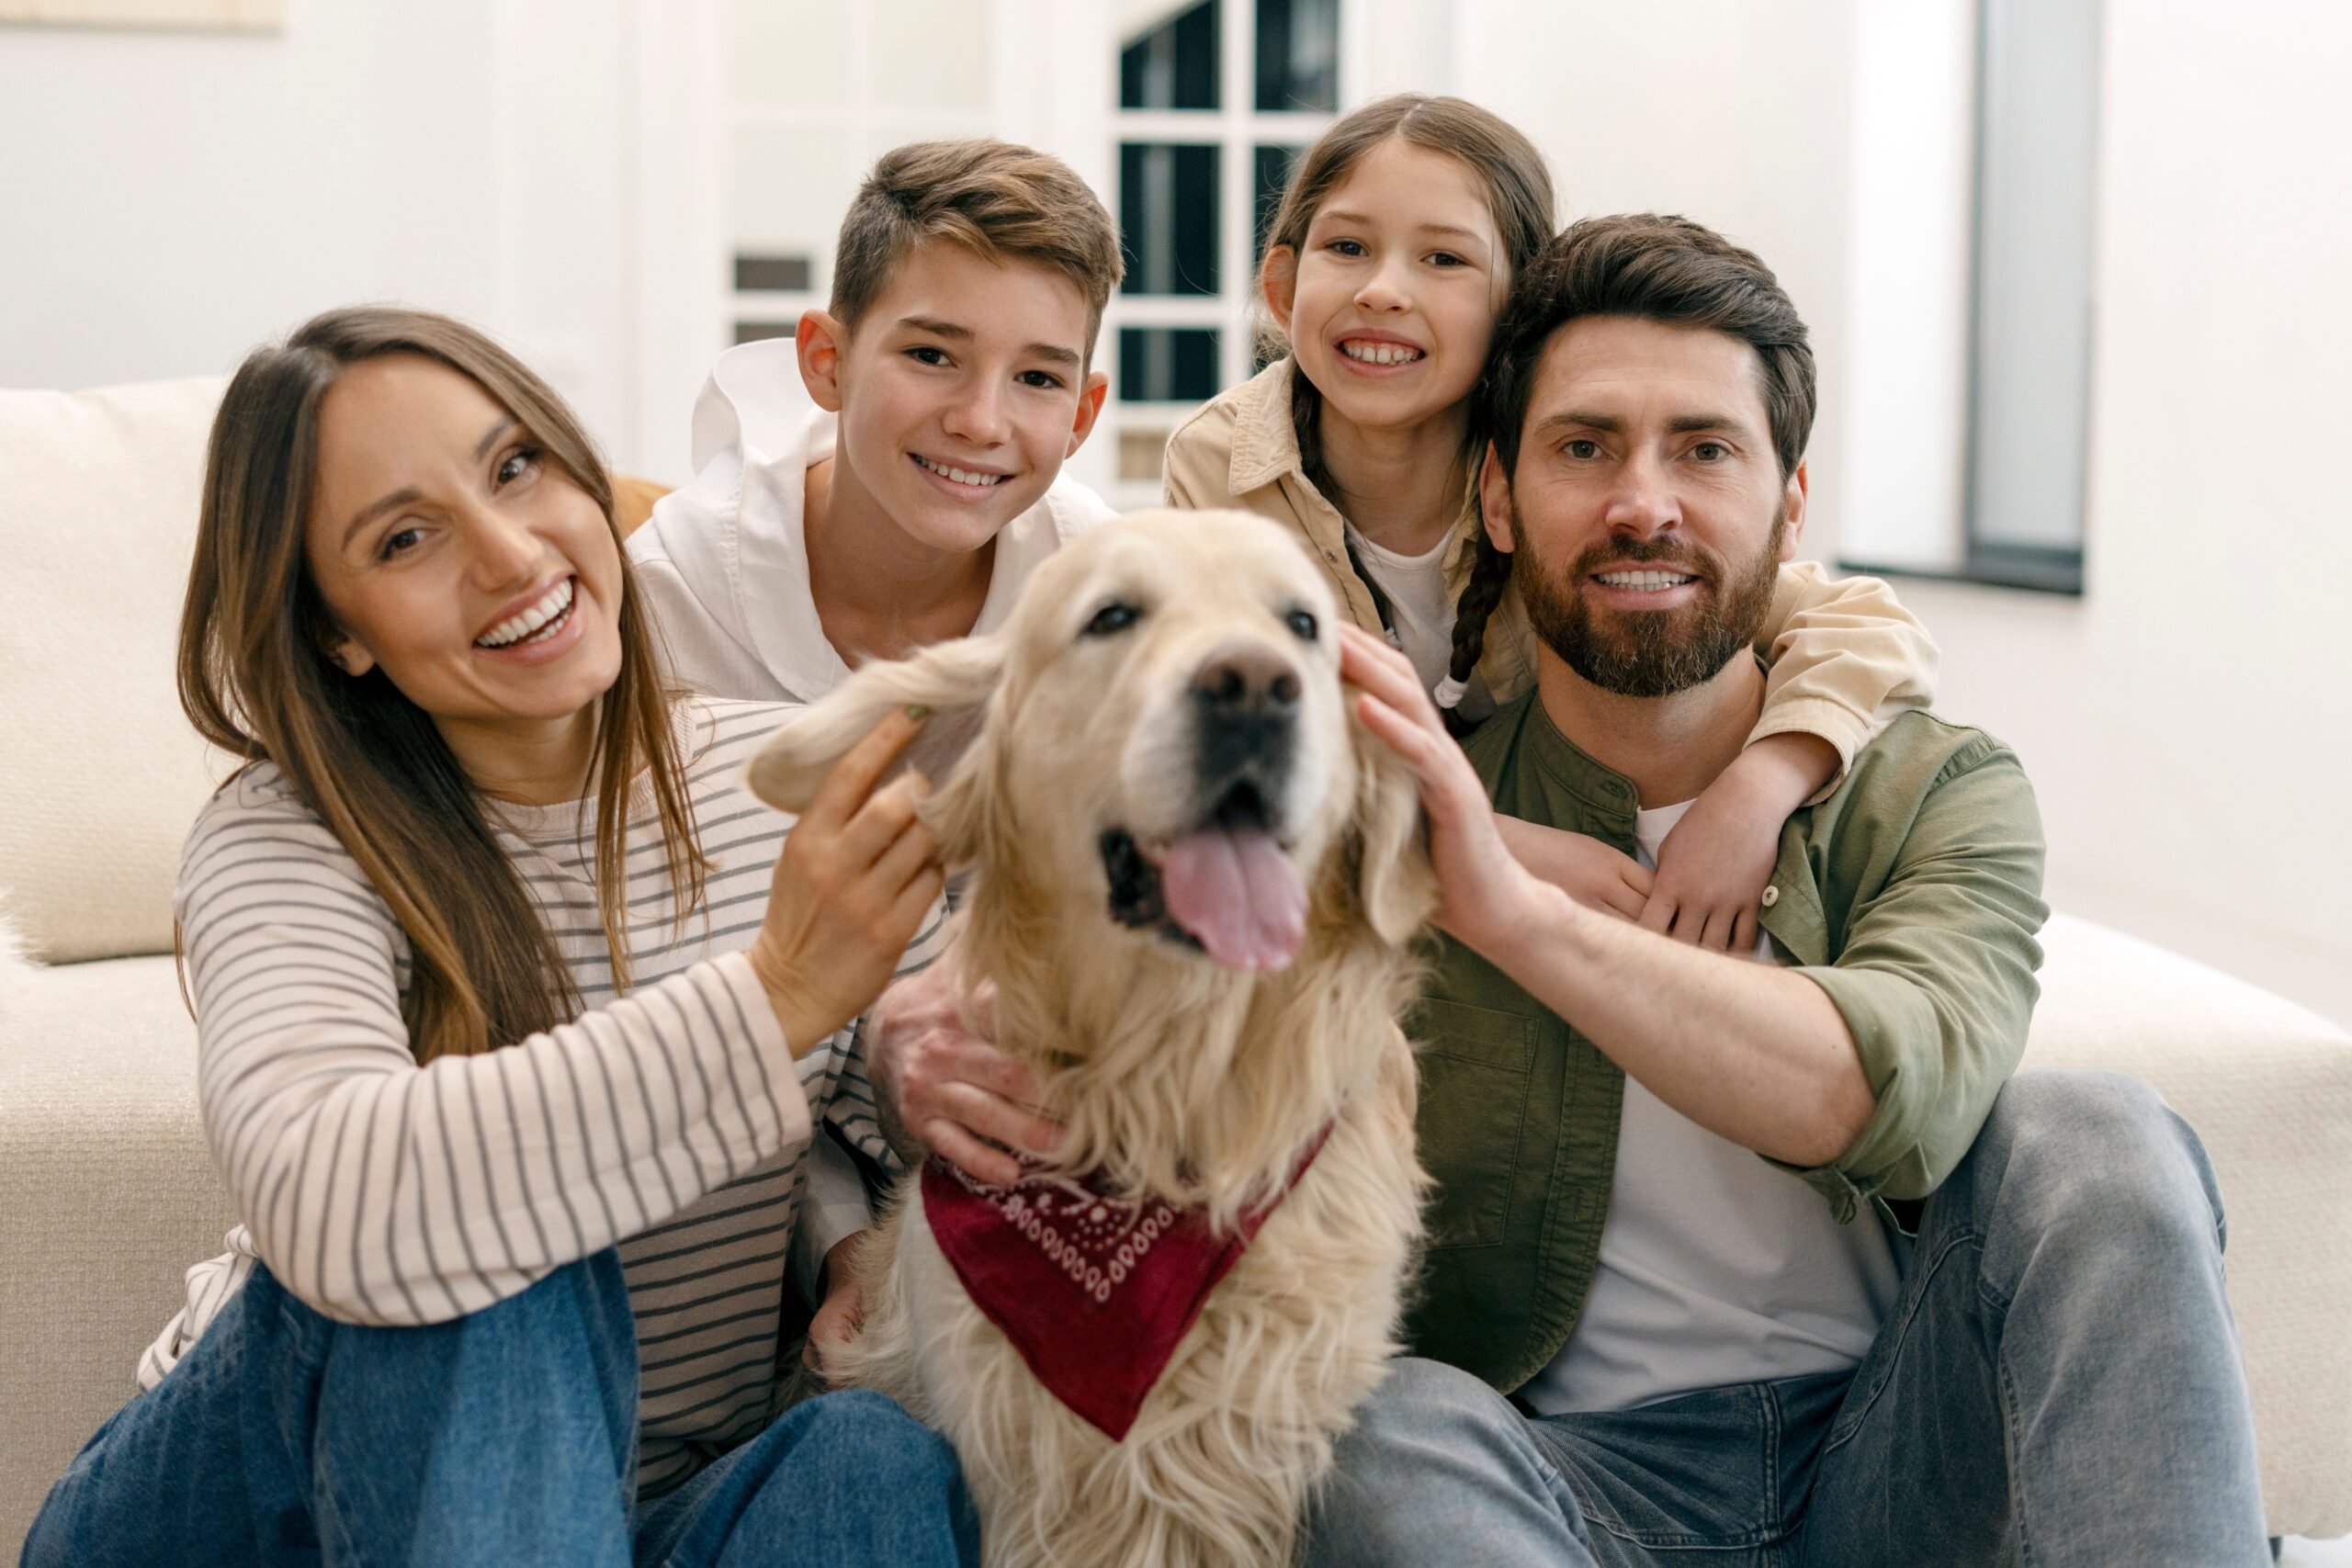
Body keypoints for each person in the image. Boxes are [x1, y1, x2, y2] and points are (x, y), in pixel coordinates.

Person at [1306, 214, 2268, 1566]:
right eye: (1585, 448)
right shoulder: (1397, 813)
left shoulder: (1930, 790)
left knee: (2098, 1135)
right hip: (1555, 1490)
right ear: (1500, 499)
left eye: (1704, 449)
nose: (1647, 503)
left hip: (1903, 1461)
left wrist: (1513, 909)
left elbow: (1885, 1098)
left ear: (1791, 502)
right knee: (1374, 1417)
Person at [23, 307, 977, 1567]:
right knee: (491, 1257)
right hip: (263, 1511)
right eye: (407, 537)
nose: (510, 550)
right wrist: (776, 995)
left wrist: (869, 1226)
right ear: (336, 629)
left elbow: (892, 1121)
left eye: (518, 464)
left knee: (876, 1460)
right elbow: (331, 1196)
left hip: (651, 1500)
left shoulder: (783, 780)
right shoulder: (285, 836)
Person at [1161, 94, 1940, 951]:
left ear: (1513, 317)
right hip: (1353, 889)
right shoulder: (1218, 466)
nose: (1383, 290)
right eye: (1347, 247)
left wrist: (1759, 789)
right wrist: (1493, 844)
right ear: (1282, 286)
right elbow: (1212, 729)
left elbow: (1865, 627)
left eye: (1444, 258)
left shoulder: (1566, 486)